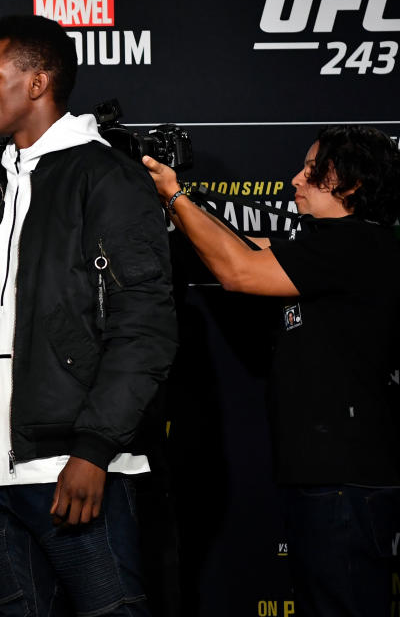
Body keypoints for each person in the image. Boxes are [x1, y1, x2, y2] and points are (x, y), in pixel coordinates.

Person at [0, 15, 178, 617]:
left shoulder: (105, 174)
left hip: (73, 466)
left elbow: (144, 325)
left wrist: (93, 450)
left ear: (37, 83)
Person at [143, 125, 400, 617]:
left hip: (345, 478)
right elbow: (246, 246)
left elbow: (238, 269)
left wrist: (174, 194)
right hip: (325, 473)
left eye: (311, 170)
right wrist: (170, 204)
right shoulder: (331, 245)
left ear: (350, 184)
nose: (294, 180)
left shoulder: (358, 246)